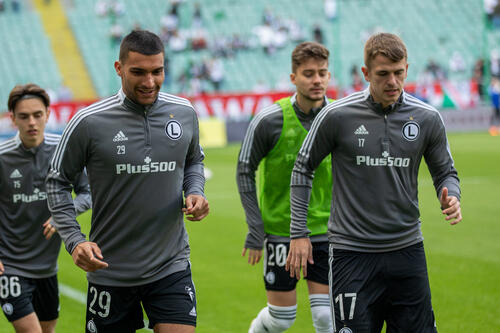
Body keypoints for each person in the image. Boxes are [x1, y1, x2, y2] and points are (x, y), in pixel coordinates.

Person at [286, 32, 462, 332]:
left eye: (399, 73)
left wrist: (452, 195)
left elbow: (446, 172)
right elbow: (303, 168)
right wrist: (298, 232)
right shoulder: (336, 115)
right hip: (351, 254)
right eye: (383, 74)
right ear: (366, 73)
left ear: (407, 69)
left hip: (407, 250)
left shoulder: (427, 118)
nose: (392, 82)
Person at [46, 30, 209, 333]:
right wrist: (74, 240)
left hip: (170, 265)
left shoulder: (184, 113)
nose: (149, 82)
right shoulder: (89, 122)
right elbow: (56, 181)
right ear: (119, 69)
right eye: (138, 72)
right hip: (110, 271)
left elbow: (193, 161)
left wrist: (195, 191)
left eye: (157, 71)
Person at [237, 41, 334, 333]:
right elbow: (244, 171)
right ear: (293, 78)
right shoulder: (269, 121)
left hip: (327, 231)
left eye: (322, 73)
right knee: (281, 319)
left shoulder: (339, 119)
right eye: (308, 74)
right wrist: (256, 228)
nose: (316, 80)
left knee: (327, 319)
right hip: (281, 232)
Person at [0, 83, 91, 333]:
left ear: (48, 114)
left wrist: (63, 212)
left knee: (47, 330)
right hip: (11, 266)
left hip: (47, 267)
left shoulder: (62, 150)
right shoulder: (2, 157)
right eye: (24, 116)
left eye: (37, 115)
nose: (32, 122)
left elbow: (88, 192)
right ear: (12, 119)